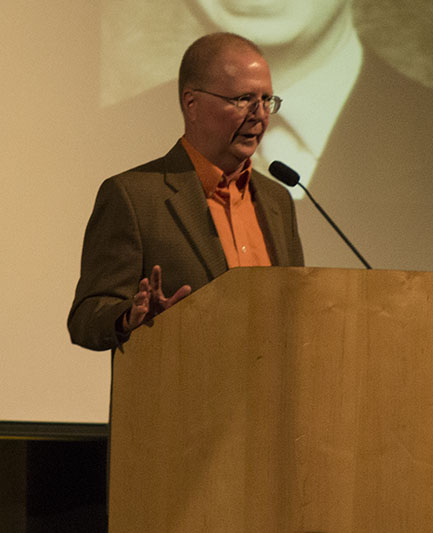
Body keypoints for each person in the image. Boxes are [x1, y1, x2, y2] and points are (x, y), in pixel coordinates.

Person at [68, 32, 305, 351]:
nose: (260, 114)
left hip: (267, 396)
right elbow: (86, 319)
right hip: (180, 394)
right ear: (191, 103)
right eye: (243, 99)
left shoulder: (277, 200)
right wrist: (131, 318)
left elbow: (301, 310)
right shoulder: (132, 197)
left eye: (266, 100)